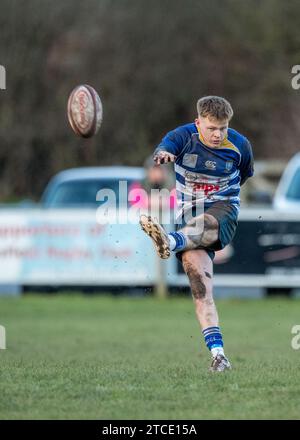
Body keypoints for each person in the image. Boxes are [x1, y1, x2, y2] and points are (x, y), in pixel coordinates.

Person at [140, 96, 254, 372]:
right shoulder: (183, 137)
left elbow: (246, 174)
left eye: (223, 128)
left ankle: (169, 240)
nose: (218, 135)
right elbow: (165, 148)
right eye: (212, 128)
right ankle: (219, 355)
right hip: (186, 218)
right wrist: (164, 156)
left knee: (206, 221)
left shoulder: (240, 145)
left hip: (223, 210)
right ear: (198, 122)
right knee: (201, 289)